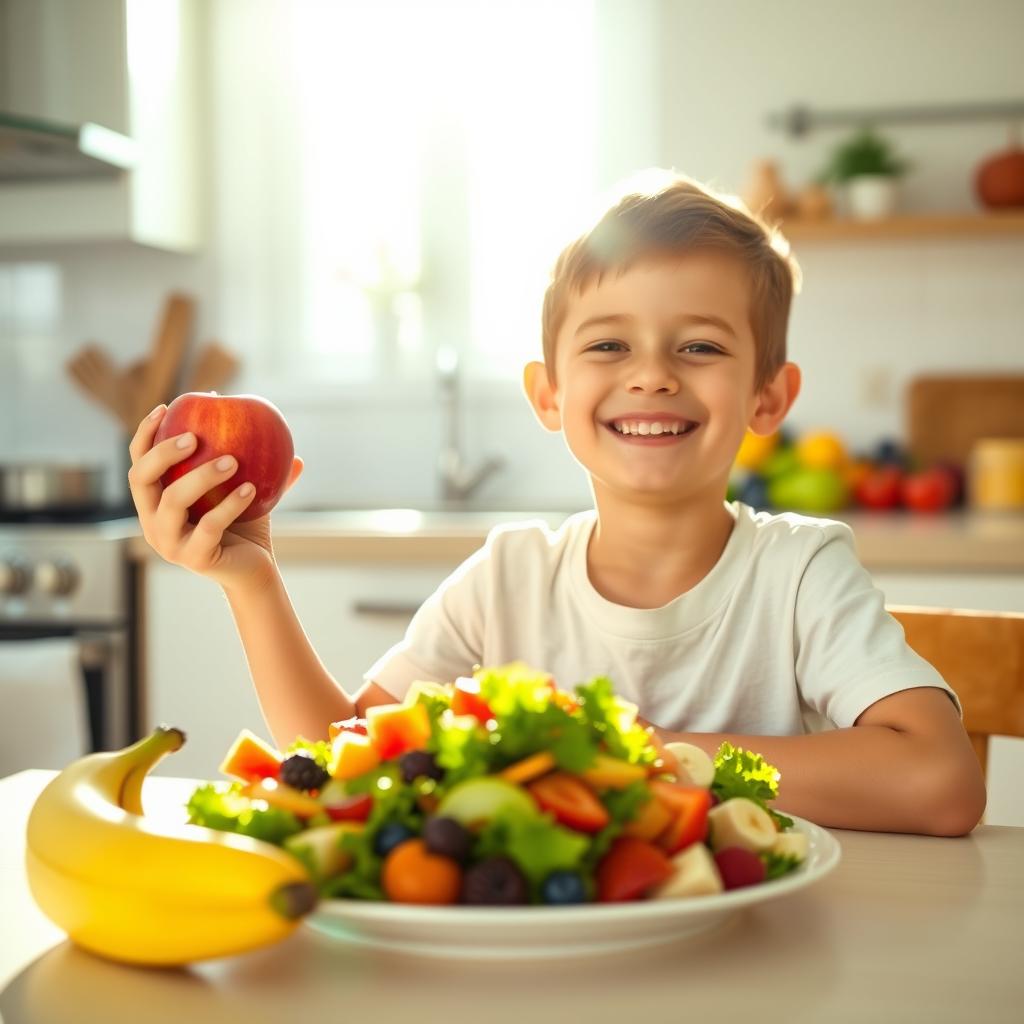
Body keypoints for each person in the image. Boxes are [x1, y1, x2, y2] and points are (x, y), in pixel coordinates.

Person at [128, 170, 986, 836]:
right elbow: (338, 762)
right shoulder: (506, 578)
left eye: (699, 345)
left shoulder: (800, 572)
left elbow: (941, 783)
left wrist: (632, 753)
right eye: (609, 343)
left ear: (768, 396)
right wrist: (254, 582)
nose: (652, 373)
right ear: (548, 394)